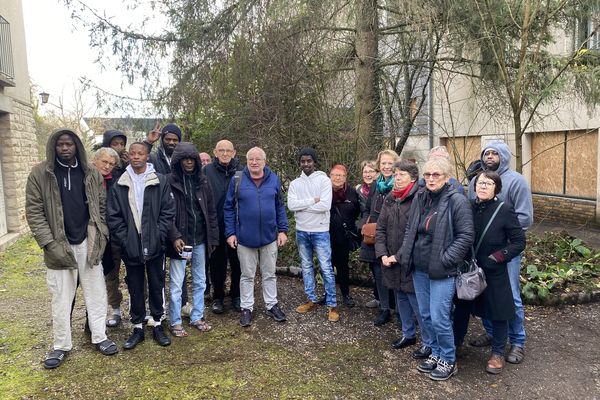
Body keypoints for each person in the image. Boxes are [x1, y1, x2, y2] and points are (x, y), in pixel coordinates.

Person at [26, 129, 118, 369]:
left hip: (89, 241)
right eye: (60, 145)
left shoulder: (90, 173)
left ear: (77, 146)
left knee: (96, 293)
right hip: (59, 243)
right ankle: (61, 345)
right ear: (54, 147)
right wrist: (48, 243)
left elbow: (101, 205)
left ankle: (100, 336)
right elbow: (34, 211)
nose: (65, 148)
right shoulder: (40, 174)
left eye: (69, 144)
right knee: (61, 297)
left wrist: (101, 235)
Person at [400, 158, 474, 381]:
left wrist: (446, 259)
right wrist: (406, 254)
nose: (431, 179)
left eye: (436, 175)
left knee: (440, 316)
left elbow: (466, 236)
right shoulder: (420, 197)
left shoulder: (457, 201)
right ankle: (435, 351)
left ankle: (448, 359)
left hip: (442, 270)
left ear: (447, 177)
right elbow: (410, 229)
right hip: (419, 267)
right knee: (425, 314)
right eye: (427, 175)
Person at [453, 171, 526, 374]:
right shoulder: (468, 207)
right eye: (480, 183)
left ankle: (497, 353)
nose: (483, 186)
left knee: (498, 313)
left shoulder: (505, 210)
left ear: (497, 188)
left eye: (488, 183)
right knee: (461, 309)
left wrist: (499, 257)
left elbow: (519, 242)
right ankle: (456, 343)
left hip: (494, 271)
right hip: (469, 270)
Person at [467, 141, 533, 365]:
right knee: (483, 293)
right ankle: (493, 333)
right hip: (480, 253)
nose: (490, 157)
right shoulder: (476, 180)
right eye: (487, 153)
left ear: (504, 156)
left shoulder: (516, 181)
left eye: (495, 153)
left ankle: (517, 341)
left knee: (510, 297)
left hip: (505, 252)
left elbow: (525, 218)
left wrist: (502, 242)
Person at [107, 142, 176, 350]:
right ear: (128, 156)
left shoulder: (160, 180)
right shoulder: (120, 183)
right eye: (133, 154)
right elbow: (114, 216)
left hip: (154, 242)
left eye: (141, 154)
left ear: (147, 156)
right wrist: (125, 239)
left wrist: (159, 235)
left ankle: (157, 323)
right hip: (131, 243)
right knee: (135, 285)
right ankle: (137, 326)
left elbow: (167, 211)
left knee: (156, 283)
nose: (137, 157)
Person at [224, 147, 289, 327]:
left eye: (258, 159)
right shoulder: (237, 180)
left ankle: (272, 304)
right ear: (246, 160)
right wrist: (230, 233)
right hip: (245, 238)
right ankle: (246, 308)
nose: (254, 162)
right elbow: (228, 208)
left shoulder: (274, 179)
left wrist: (283, 230)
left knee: (269, 274)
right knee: (247, 275)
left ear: (264, 161)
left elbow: (279, 206)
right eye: (251, 159)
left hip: (269, 238)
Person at [375, 160, 430, 359]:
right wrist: (382, 254)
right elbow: (380, 228)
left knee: (418, 304)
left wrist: (398, 257)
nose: (396, 178)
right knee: (401, 299)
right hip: (390, 258)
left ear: (413, 178)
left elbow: (416, 233)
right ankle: (408, 334)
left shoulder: (420, 198)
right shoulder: (390, 198)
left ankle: (428, 341)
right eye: (396, 175)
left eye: (401, 175)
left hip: (410, 260)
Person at [166, 142, 219, 337]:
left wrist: (212, 238)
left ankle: (197, 316)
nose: (189, 162)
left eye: (191, 158)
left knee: (200, 281)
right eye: (184, 159)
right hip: (181, 241)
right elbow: (166, 214)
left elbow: (211, 212)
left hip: (200, 240)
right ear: (178, 160)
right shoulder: (169, 181)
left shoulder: (203, 181)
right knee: (177, 283)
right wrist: (174, 236)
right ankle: (175, 321)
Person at [288, 148, 339, 322]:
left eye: (309, 161)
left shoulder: (324, 180)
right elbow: (291, 205)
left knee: (326, 267)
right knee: (307, 267)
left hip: (320, 231)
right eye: (303, 161)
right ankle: (311, 299)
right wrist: (312, 200)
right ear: (300, 163)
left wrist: (302, 206)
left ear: (314, 162)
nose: (306, 164)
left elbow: (325, 206)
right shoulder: (295, 183)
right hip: (302, 230)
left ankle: (332, 305)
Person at [359, 150, 399, 326]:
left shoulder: (400, 184)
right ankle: (385, 309)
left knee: (396, 273)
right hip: (375, 234)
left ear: (396, 164)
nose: (387, 166)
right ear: (379, 165)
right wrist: (363, 224)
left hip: (395, 234)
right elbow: (367, 208)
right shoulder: (376, 184)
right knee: (378, 272)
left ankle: (399, 310)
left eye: (390, 163)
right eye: (383, 163)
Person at [204, 139, 243, 314]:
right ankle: (218, 296)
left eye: (228, 150)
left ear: (234, 153)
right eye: (221, 150)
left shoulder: (242, 172)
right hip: (215, 224)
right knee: (216, 264)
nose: (225, 154)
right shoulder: (206, 171)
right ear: (215, 152)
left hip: (238, 226)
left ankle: (236, 295)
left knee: (238, 263)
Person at [92, 147, 124, 327]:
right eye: (104, 162)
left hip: (118, 235)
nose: (107, 166)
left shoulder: (116, 182)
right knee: (107, 274)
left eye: (111, 164)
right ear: (95, 160)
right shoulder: (86, 179)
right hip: (97, 236)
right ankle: (112, 309)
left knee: (125, 273)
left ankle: (128, 309)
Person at [328, 164, 360, 307]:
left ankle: (345, 294)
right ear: (330, 176)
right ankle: (328, 294)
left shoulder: (352, 192)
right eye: (335, 175)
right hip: (325, 235)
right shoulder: (325, 190)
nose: (338, 178)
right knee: (326, 266)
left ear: (345, 177)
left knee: (342, 267)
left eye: (341, 175)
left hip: (343, 236)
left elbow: (357, 211)